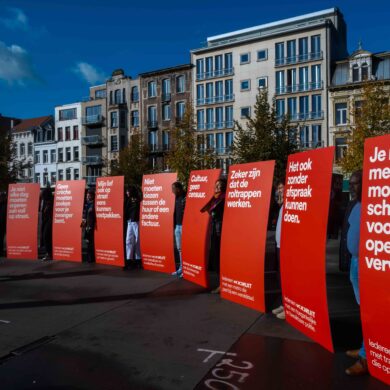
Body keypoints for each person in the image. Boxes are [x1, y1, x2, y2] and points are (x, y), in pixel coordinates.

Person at [345, 170, 367, 376]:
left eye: (355, 183)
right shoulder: (356, 206)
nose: (351, 187)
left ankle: (366, 357)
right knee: (362, 311)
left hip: (367, 264)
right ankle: (363, 347)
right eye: (350, 183)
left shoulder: (374, 206)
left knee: (369, 313)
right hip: (355, 262)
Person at [201, 178, 227, 293]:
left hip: (220, 230)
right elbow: (211, 212)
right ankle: (221, 282)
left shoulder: (224, 197)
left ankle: (223, 284)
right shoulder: (214, 198)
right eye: (216, 185)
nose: (218, 187)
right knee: (215, 256)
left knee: (219, 256)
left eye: (220, 185)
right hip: (214, 229)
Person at [272, 181, 285, 319]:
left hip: (286, 247)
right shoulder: (281, 206)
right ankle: (284, 303)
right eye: (278, 188)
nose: (279, 191)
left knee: (286, 277)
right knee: (280, 277)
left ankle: (288, 307)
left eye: (282, 188)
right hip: (278, 246)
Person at [124, 185, 142, 270]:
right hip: (129, 222)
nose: (126, 193)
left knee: (137, 241)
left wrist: (137, 188)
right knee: (128, 241)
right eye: (126, 191)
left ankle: (138, 260)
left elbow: (141, 196)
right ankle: (129, 260)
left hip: (136, 221)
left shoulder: (137, 199)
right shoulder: (128, 200)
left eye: (128, 191)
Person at [171, 182, 186, 278]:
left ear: (178, 189)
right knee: (179, 249)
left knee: (185, 249)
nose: (172, 191)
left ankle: (186, 269)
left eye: (173, 189)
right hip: (177, 226)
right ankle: (181, 268)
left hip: (184, 226)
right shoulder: (176, 198)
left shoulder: (186, 197)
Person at [81, 189, 96, 264]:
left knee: (90, 242)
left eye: (88, 194)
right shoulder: (87, 204)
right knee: (87, 241)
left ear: (92, 196)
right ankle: (89, 257)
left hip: (91, 225)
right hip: (87, 225)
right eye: (87, 194)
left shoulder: (94, 204)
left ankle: (91, 257)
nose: (87, 196)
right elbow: (85, 214)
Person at [41, 187, 53, 261]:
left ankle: (49, 253)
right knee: (46, 237)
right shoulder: (45, 201)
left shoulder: (51, 202)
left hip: (50, 221)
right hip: (45, 221)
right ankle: (49, 252)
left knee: (46, 236)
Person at [0, 191, 7, 257]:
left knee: (1, 237)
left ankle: (1, 251)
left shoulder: (5, 205)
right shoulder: (4, 204)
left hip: (2, 225)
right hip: (2, 224)